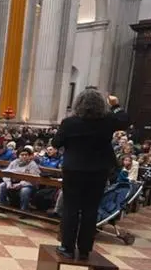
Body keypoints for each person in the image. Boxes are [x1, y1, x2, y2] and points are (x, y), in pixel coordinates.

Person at [51, 89, 128, 260]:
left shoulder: (69, 123)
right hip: (98, 171)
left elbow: (56, 143)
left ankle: (67, 248)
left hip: (74, 170)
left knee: (71, 208)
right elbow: (124, 120)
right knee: (90, 210)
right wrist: (116, 105)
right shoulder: (107, 122)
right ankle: (85, 250)